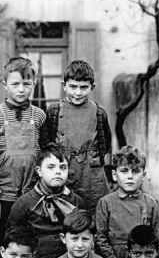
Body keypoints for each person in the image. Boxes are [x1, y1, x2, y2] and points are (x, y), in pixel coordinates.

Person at [0, 57, 46, 252]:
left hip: (31, 188)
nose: (21, 89)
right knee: (4, 232)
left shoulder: (39, 115)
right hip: (4, 189)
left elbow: (46, 151)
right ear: (5, 85)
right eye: (15, 84)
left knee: (30, 233)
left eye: (26, 84)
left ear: (33, 84)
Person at [40, 60, 111, 211]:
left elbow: (105, 143)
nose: (77, 93)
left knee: (94, 212)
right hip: (63, 169)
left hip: (91, 175)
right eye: (73, 87)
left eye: (83, 87)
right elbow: (46, 143)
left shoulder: (99, 112)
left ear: (92, 87)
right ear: (64, 85)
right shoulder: (54, 111)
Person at [7, 144, 86, 258]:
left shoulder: (76, 202)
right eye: (50, 167)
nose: (57, 172)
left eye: (63, 167)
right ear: (39, 171)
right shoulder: (24, 203)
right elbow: (12, 240)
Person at [95, 145, 159, 258]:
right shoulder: (105, 203)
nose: (130, 176)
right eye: (124, 171)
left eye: (136, 171)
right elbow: (100, 239)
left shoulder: (151, 204)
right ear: (114, 175)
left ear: (143, 175)